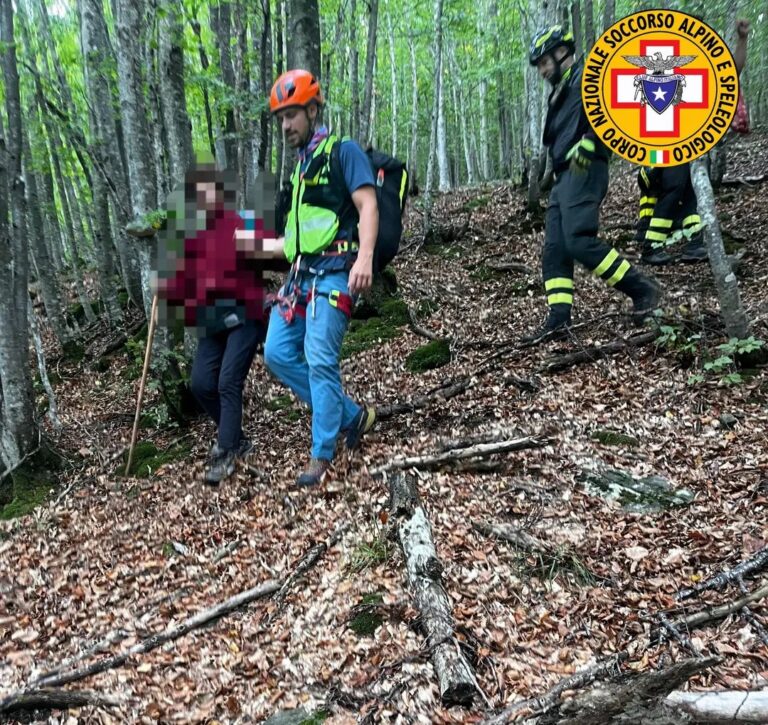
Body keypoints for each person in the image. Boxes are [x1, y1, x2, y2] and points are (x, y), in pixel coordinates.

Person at [263, 69, 378, 488]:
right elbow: (292, 242)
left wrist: (364, 257)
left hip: (335, 274)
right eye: (280, 118)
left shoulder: (342, 151)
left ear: (313, 110)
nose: (285, 125)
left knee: (320, 361)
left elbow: (367, 206)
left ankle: (321, 456)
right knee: (276, 352)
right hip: (298, 280)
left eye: (292, 115)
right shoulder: (298, 172)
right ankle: (350, 415)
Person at [523, 26, 661, 343]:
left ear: (562, 54)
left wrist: (592, 140)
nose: (542, 70)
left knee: (578, 241)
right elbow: (558, 137)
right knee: (555, 251)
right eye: (539, 65)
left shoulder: (590, 77)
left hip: (586, 170)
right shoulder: (560, 92)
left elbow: (616, 111)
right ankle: (559, 319)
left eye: (544, 62)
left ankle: (643, 289)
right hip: (563, 177)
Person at [155, 165, 274, 485]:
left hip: (246, 315)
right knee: (201, 384)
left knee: (227, 382)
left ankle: (227, 451)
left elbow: (270, 249)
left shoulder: (240, 223)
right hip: (213, 322)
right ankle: (235, 438)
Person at [637, 19, 750, 266]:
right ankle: (650, 245)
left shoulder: (704, 66)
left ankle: (694, 244)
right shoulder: (666, 64)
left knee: (691, 191)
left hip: (694, 143)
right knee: (673, 186)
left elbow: (733, 70)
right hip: (664, 142)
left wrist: (742, 39)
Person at [635, 163, 705, 265]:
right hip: (671, 152)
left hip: (677, 152)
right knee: (674, 188)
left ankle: (694, 243)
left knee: (689, 189)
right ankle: (651, 246)